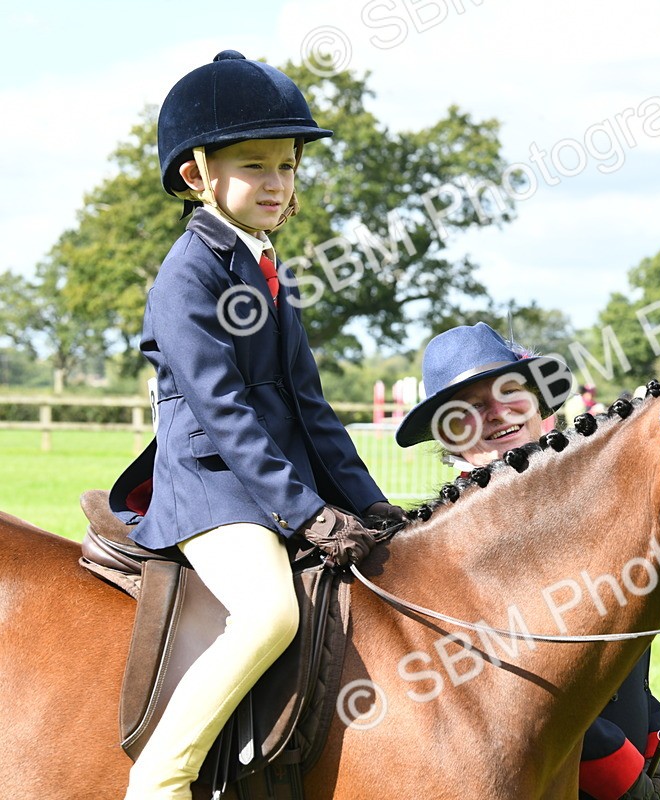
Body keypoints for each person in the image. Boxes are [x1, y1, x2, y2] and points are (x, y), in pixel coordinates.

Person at [107, 50, 406, 799]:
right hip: (211, 488)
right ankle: (163, 776)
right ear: (196, 176)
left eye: (288, 165)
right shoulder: (187, 273)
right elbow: (226, 411)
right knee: (271, 613)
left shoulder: (272, 266)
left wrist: (369, 503)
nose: (278, 183)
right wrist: (306, 512)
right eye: (255, 166)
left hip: (269, 480)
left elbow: (309, 405)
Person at [394, 322, 660, 800]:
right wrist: (617, 767)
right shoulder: (457, 546)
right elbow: (516, 685)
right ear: (448, 437)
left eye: (510, 392)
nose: (496, 414)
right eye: (468, 409)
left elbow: (623, 643)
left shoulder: (585, 507)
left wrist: (655, 734)